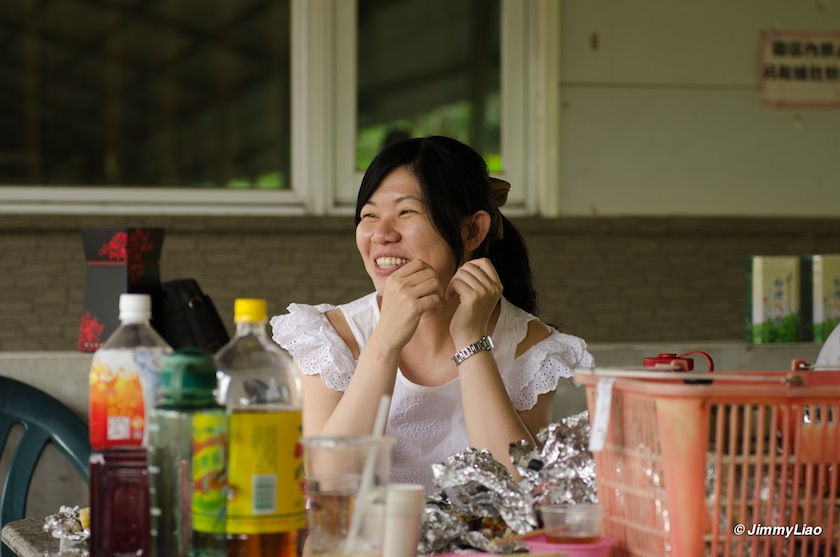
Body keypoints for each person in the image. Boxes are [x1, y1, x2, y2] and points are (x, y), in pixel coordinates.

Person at [271, 136, 594, 493]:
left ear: (473, 230)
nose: (381, 234)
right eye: (369, 215)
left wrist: (471, 340)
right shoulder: (329, 337)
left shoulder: (528, 346)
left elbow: (519, 488)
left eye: (406, 212)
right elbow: (327, 482)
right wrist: (386, 338)